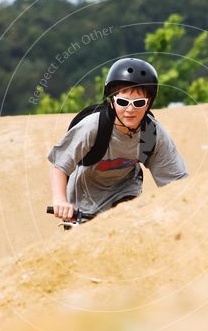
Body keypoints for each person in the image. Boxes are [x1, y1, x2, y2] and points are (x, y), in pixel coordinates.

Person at [48, 58, 188, 221]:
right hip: (84, 202)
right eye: (123, 102)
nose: (130, 109)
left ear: (149, 103)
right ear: (112, 102)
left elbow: (176, 183)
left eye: (139, 103)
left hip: (125, 193)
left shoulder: (152, 133)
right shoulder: (93, 127)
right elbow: (59, 166)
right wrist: (60, 200)